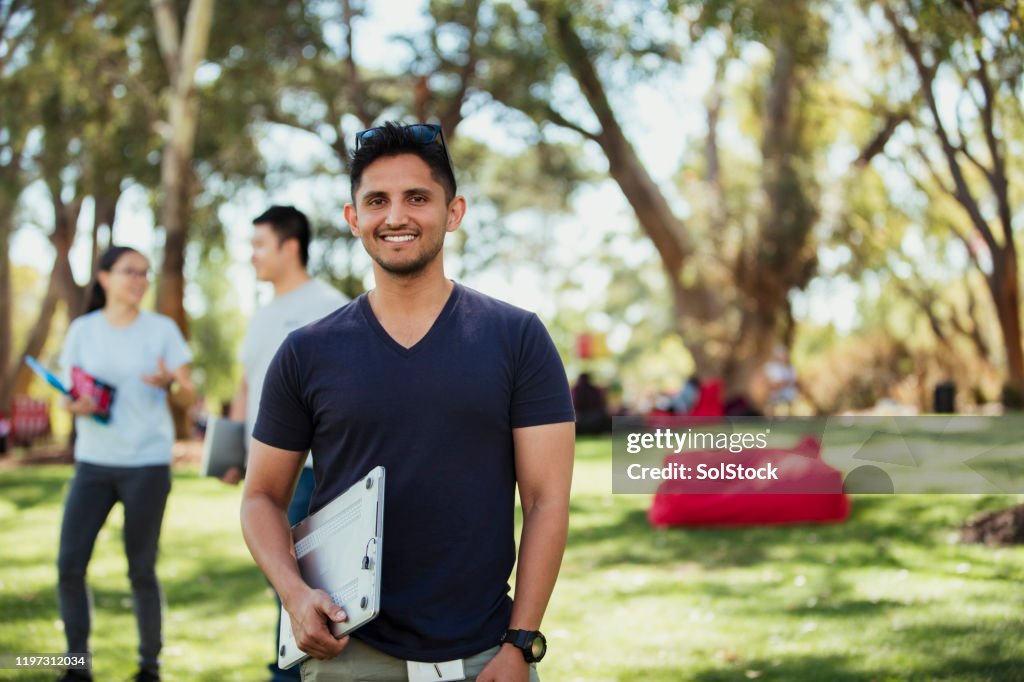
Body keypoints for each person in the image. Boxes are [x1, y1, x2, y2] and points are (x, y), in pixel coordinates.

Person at [240, 122, 576, 682]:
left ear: (453, 212)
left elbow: (546, 500)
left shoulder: (517, 338)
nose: (395, 216)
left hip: (487, 656)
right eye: (377, 201)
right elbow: (261, 498)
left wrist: (520, 643)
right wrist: (295, 596)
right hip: (350, 656)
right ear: (353, 219)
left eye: (417, 198)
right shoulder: (306, 352)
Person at [55, 246, 194, 682]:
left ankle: (149, 667)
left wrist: (170, 382)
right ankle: (77, 664)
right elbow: (65, 393)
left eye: (145, 273)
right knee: (69, 564)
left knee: (141, 569)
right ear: (104, 278)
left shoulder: (162, 329)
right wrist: (74, 406)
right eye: (129, 271)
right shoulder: (82, 330)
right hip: (93, 464)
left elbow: (188, 394)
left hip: (147, 465)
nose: (139, 279)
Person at [222, 205, 348, 682]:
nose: (252, 256)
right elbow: (245, 385)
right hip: (267, 471)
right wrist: (235, 451)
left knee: (301, 581)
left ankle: (288, 670)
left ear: (289, 246)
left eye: (259, 245)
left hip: (311, 472)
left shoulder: (329, 305)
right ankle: (287, 664)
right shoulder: (262, 314)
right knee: (281, 578)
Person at [763, 344, 798, 416]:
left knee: (790, 395)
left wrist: (783, 383)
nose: (783, 357)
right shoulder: (771, 367)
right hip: (773, 391)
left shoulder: (790, 368)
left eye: (784, 355)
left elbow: (793, 381)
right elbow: (769, 382)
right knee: (771, 398)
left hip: (786, 391)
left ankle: (789, 416)